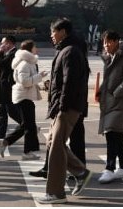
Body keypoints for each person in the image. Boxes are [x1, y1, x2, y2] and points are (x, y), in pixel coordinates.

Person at [40, 17, 94, 205]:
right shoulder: (67, 50)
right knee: (52, 142)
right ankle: (81, 172)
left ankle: (56, 193)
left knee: (56, 147)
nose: (51, 35)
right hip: (64, 105)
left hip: (67, 106)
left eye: (53, 31)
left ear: (63, 32)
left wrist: (62, 106)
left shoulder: (70, 51)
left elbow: (70, 83)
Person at [97, 30, 123, 183]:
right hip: (110, 101)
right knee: (117, 135)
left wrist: (117, 92)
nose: (106, 45)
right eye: (104, 42)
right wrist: (101, 91)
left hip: (120, 102)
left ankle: (109, 168)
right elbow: (108, 79)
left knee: (112, 134)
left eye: (109, 42)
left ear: (116, 42)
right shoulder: (110, 57)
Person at [1, 39, 42, 160]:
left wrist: (39, 83)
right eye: (34, 47)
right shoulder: (25, 63)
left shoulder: (28, 62)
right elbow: (24, 81)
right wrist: (39, 76)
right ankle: (27, 152)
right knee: (29, 126)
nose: (36, 49)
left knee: (27, 125)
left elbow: (28, 80)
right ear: (30, 49)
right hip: (23, 96)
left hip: (25, 96)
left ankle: (5, 142)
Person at [0, 36, 17, 146]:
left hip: (8, 89)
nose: (1, 45)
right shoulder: (9, 53)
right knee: (1, 113)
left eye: (3, 43)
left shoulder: (13, 54)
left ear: (9, 43)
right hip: (4, 89)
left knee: (12, 113)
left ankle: (29, 126)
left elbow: (1, 65)